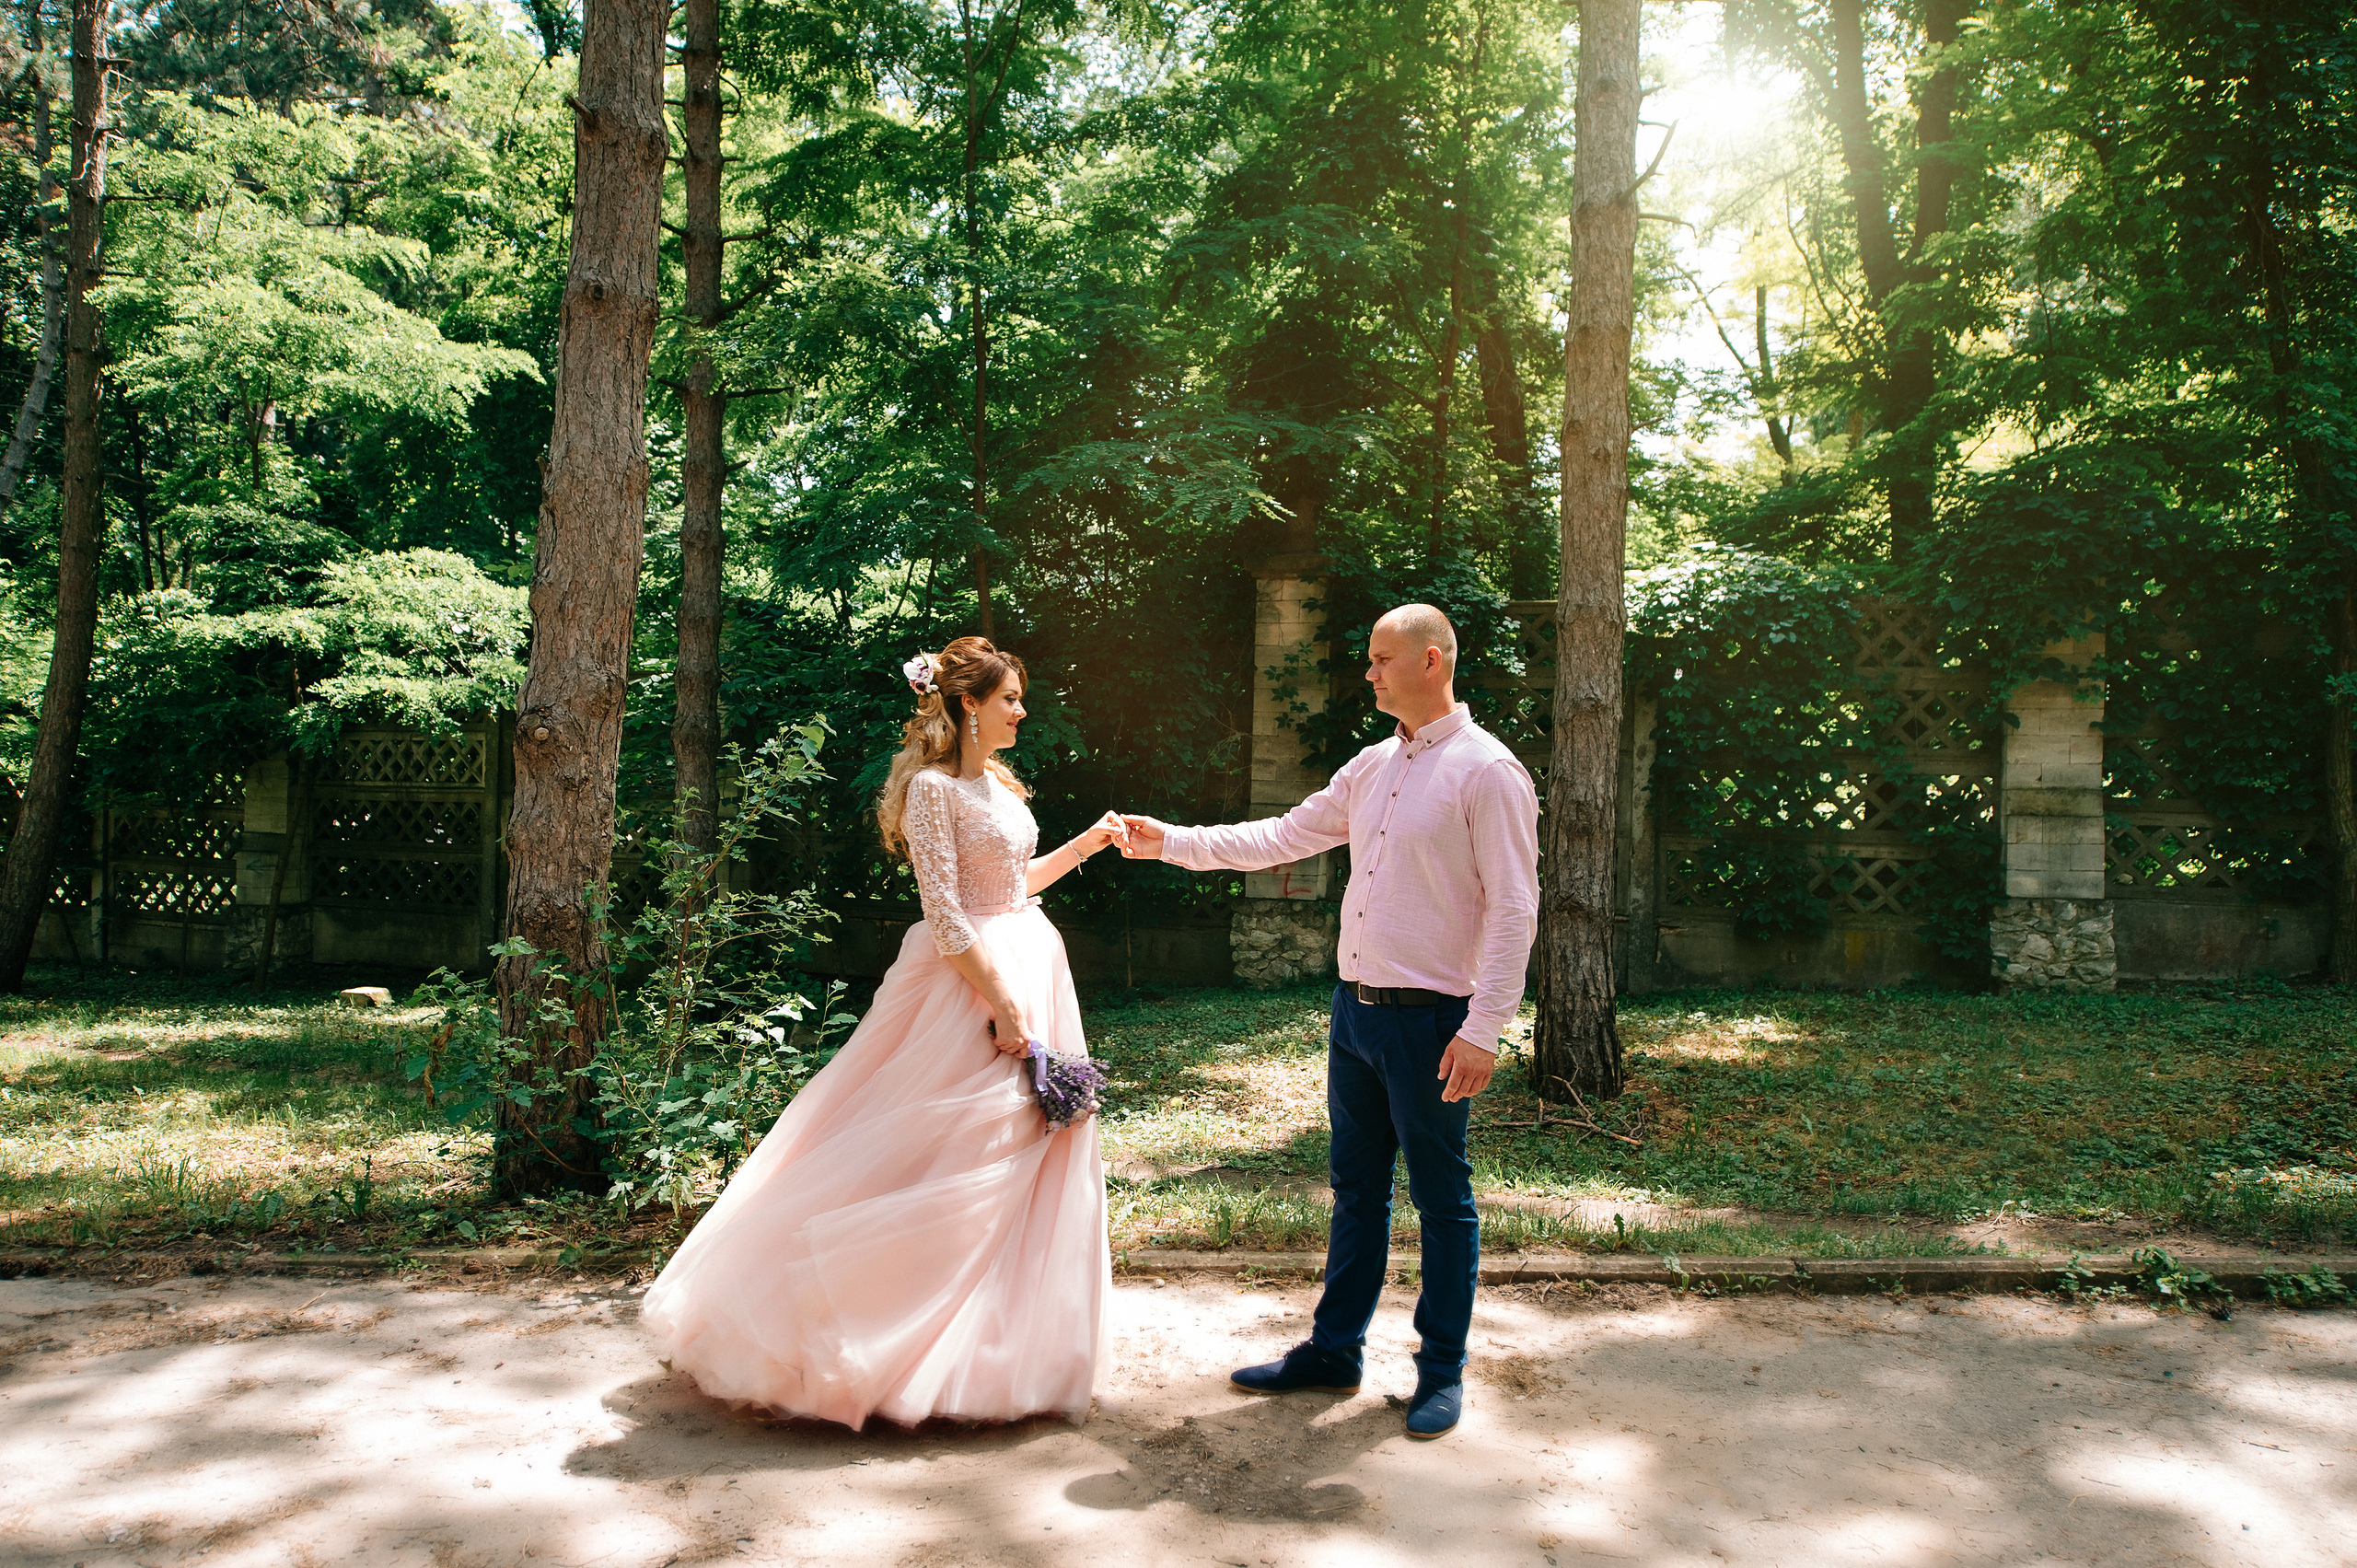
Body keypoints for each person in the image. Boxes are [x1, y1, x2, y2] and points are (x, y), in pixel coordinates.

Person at [642, 637, 1130, 1431]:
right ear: (970, 702)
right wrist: (1004, 1005)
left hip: (1032, 964)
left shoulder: (1000, 785)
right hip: (970, 984)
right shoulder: (933, 792)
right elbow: (945, 914)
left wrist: (1088, 842)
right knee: (958, 1153)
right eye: (1009, 698)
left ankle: (995, 1355)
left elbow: (1012, 885)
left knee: (1031, 1155)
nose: (1021, 709)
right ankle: (886, 1349)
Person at [1120, 603, 1538, 1440]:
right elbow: (1280, 836)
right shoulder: (1371, 765)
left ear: (1431, 660)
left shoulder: (1489, 773)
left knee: (1442, 1199)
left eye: (1383, 659)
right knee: (1356, 1189)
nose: (1370, 672)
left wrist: (1486, 1026)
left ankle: (1441, 1372)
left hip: (1434, 1024)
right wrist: (1170, 841)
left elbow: (1515, 907)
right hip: (1356, 1016)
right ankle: (1334, 1349)